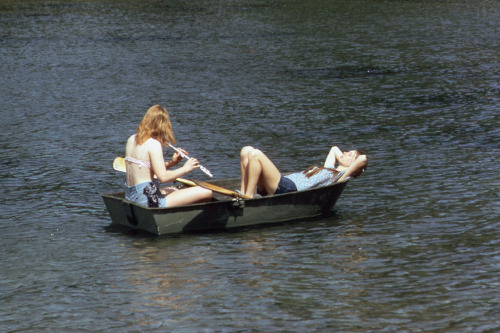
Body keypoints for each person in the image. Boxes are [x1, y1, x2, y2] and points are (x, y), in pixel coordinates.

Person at [124, 105, 212, 207]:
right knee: (206, 192)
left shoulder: (131, 139)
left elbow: (146, 170)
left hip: (131, 195)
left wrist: (172, 163)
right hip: (148, 200)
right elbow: (163, 178)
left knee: (173, 189)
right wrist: (186, 168)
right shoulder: (153, 144)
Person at [239, 146, 367, 198]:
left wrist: (351, 167)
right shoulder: (330, 168)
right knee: (246, 150)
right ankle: (244, 192)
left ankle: (248, 197)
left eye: (349, 154)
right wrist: (346, 159)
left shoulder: (339, 177)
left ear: (353, 165)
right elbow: (334, 149)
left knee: (255, 154)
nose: (344, 153)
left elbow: (363, 159)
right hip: (283, 183)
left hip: (288, 188)